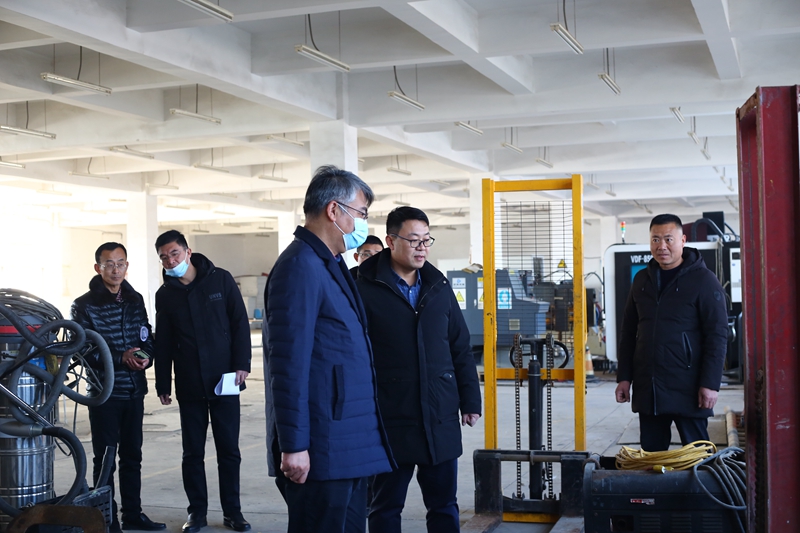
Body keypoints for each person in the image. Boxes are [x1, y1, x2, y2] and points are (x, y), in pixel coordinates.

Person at [263, 165, 393, 533]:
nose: (362, 224)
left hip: (344, 440)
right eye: (360, 213)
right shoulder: (299, 266)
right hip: (322, 445)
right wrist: (294, 446)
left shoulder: (327, 263)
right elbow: (288, 364)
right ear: (334, 211)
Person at [355, 206, 482, 533]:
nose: (422, 247)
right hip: (389, 417)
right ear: (390, 241)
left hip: (438, 415)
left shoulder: (438, 286)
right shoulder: (362, 286)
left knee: (444, 505)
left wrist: (470, 400)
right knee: (385, 506)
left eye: (426, 240)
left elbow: (459, 346)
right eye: (413, 240)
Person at [153, 230, 251, 533]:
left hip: (225, 380)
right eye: (164, 257)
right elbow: (163, 342)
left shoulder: (220, 280)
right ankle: (197, 513)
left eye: (175, 253)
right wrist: (163, 383)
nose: (171, 261)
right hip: (190, 382)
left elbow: (239, 323)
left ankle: (233, 512)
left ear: (188, 251)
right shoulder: (165, 294)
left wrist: (242, 364)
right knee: (192, 453)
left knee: (229, 451)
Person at [71, 243, 166, 533]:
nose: (116, 269)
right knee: (105, 459)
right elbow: (82, 351)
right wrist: (120, 358)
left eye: (120, 263)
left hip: (134, 391)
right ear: (98, 268)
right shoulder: (84, 305)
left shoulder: (135, 300)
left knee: (132, 457)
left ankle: (133, 515)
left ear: (127, 266)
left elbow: (146, 336)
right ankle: (106, 519)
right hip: (104, 394)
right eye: (109, 264)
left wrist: (146, 357)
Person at [615, 214, 728, 451]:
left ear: (683, 240)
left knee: (698, 458)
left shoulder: (704, 280)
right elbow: (628, 332)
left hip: (689, 388)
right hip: (650, 389)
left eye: (668, 239)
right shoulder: (641, 280)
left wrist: (710, 383)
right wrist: (624, 377)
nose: (662, 246)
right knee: (652, 459)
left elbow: (717, 336)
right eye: (655, 239)